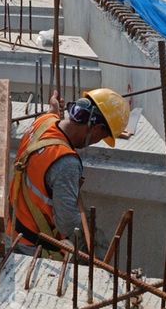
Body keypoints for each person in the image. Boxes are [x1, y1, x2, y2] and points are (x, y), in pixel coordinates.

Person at [8, 88, 131, 258]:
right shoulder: (66, 163)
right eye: (100, 137)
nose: (95, 142)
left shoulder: (45, 121)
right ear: (96, 128)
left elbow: (52, 114)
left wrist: (54, 107)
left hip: (12, 224)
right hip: (30, 246)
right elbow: (68, 225)